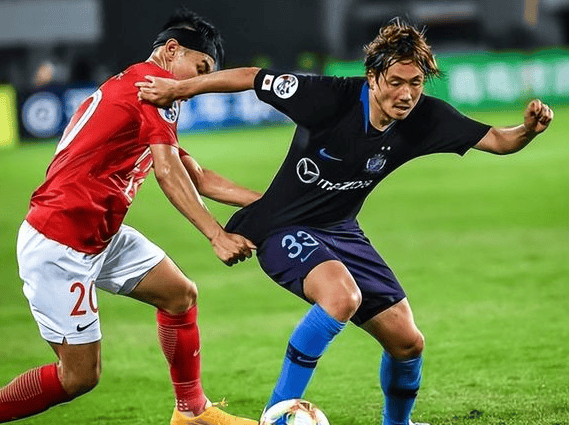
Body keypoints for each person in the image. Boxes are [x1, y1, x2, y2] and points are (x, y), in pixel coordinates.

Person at [136, 18, 554, 425]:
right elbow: (251, 76)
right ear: (372, 77)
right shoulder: (328, 97)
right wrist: (178, 88)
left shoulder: (426, 117)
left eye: (415, 83)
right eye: (396, 82)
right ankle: (276, 418)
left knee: (407, 342)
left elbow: (498, 140)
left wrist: (528, 130)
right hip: (281, 228)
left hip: (341, 231)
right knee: (340, 296)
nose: (406, 94)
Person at [0, 9, 261, 425]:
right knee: (78, 377)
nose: (197, 87)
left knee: (179, 295)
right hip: (61, 242)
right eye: (200, 69)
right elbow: (168, 172)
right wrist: (216, 234)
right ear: (172, 50)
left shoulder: (143, 89)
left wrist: (273, 204)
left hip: (99, 234)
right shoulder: (150, 87)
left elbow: (197, 176)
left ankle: (192, 412)